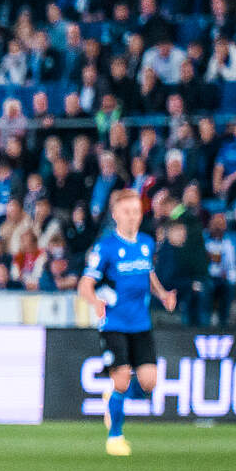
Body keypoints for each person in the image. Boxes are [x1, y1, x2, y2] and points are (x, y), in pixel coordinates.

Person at [77, 189, 177, 457]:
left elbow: (148, 274)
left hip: (140, 323)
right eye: (126, 212)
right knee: (121, 379)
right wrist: (95, 301)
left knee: (149, 382)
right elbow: (85, 284)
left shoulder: (146, 243)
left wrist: (162, 294)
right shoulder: (106, 247)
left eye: (136, 211)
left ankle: (113, 398)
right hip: (114, 323)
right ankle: (115, 436)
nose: (132, 217)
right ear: (115, 215)